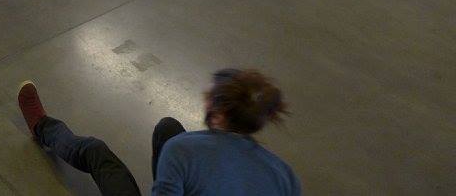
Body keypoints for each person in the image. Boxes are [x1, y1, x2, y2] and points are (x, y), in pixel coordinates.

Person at [16, 69, 300, 196]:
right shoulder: (284, 175)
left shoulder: (184, 151)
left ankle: (42, 125)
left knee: (95, 152)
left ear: (220, 113)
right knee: (168, 128)